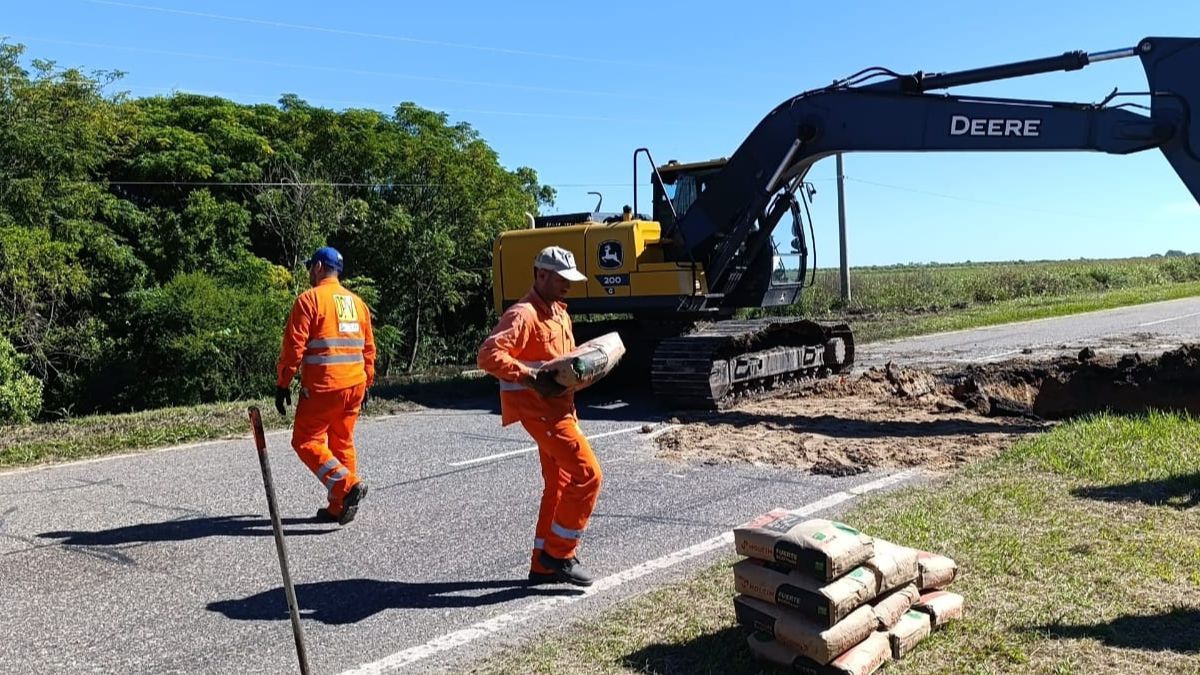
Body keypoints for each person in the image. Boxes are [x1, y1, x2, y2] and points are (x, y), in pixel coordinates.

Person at [477, 246, 602, 586]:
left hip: (562, 410)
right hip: (542, 415)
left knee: (560, 484)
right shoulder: (524, 314)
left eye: (570, 280)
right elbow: (488, 355)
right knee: (588, 476)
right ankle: (560, 554)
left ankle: (543, 565)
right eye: (562, 279)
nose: (568, 286)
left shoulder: (560, 313)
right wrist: (530, 377)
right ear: (541, 274)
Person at [275, 246, 376, 525]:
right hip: (354, 385)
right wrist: (368, 381)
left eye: (311, 267)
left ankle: (346, 485)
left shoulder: (309, 301)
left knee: (306, 441)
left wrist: (283, 383)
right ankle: (338, 506)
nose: (309, 271)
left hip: (324, 386)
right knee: (341, 441)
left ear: (319, 267)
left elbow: (294, 348)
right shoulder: (358, 304)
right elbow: (368, 349)